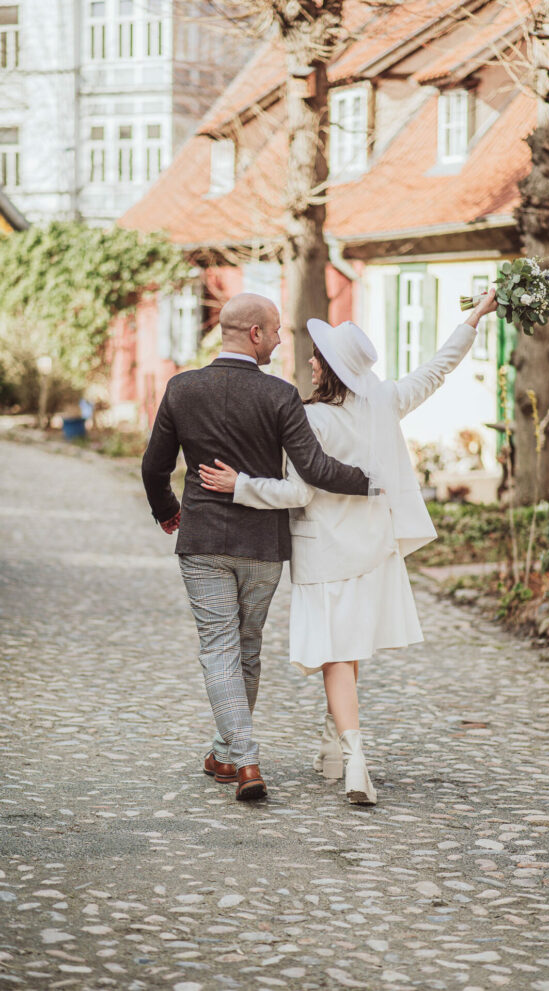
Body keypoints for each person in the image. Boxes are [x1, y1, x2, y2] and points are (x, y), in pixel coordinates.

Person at [199, 290, 498, 805]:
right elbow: (437, 368)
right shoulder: (385, 401)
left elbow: (297, 492)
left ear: (331, 368)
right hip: (374, 551)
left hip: (325, 553)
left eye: (318, 357)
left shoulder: (312, 419)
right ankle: (334, 747)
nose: (312, 362)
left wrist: (241, 485)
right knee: (350, 649)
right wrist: (474, 318)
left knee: (336, 655)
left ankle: (357, 759)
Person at [141, 293, 371, 802]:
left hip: (202, 541)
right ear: (255, 335)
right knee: (244, 649)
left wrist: (168, 511)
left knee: (220, 649)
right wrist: (372, 483)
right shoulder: (280, 395)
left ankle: (236, 755)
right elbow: (314, 469)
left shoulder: (182, 389)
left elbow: (154, 466)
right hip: (264, 546)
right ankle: (238, 758)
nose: (280, 339)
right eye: (276, 330)